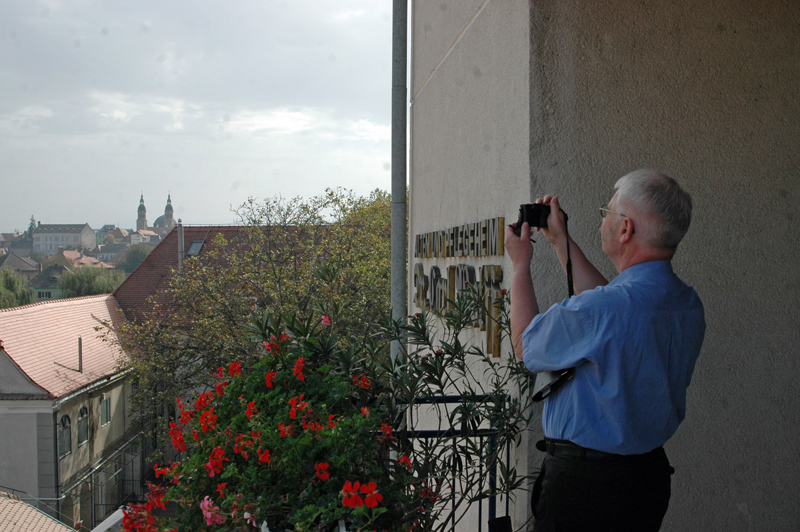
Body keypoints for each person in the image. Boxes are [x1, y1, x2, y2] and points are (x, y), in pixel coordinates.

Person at [505, 169, 705, 532]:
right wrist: (560, 241)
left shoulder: (607, 310)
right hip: (646, 479)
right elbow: (610, 309)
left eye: (607, 212)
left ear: (625, 229)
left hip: (583, 488)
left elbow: (525, 345)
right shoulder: (686, 302)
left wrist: (520, 265)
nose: (603, 220)